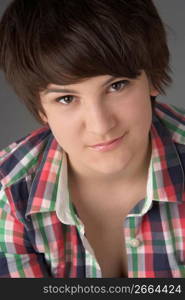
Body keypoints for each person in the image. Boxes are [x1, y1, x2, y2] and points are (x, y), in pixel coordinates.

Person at [0, 0, 185, 278]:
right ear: (41, 110)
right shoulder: (8, 195)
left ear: (153, 78)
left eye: (116, 86)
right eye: (66, 98)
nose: (100, 126)